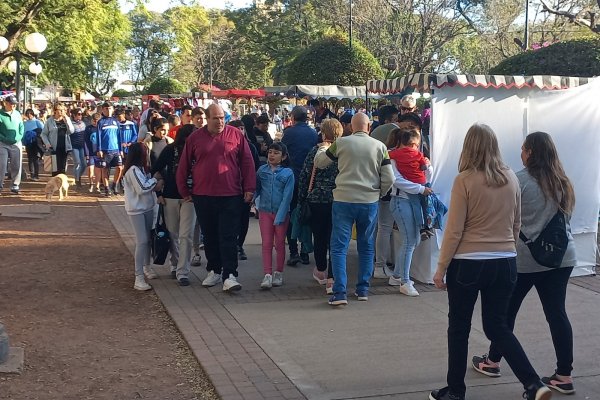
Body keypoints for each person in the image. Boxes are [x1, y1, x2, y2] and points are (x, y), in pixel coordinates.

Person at [430, 123, 552, 400]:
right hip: (506, 260)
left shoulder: (465, 179)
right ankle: (533, 384)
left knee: (459, 326)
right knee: (497, 325)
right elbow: (517, 221)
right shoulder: (511, 177)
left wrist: (441, 267)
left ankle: (456, 391)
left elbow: (455, 229)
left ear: (468, 147)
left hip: (469, 262)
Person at [472, 131, 577, 395]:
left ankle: (493, 361)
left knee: (505, 315)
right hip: (562, 258)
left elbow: (507, 219)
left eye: (523, 149)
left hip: (526, 260)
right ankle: (564, 375)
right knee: (557, 314)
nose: (521, 153)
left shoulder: (519, 181)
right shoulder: (563, 181)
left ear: (530, 152)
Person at [314, 112, 394, 306]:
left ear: (350, 126)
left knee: (339, 247)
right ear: (369, 126)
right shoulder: (380, 147)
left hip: (343, 199)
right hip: (368, 202)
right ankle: (362, 288)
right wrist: (379, 192)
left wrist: (322, 148)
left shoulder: (341, 143)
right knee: (366, 246)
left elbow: (320, 162)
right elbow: (389, 177)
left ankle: (340, 292)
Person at [176, 104, 256, 292]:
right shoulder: (195, 138)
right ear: (207, 119)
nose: (220, 122)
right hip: (203, 195)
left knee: (228, 235)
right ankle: (214, 270)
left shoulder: (236, 135)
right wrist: (184, 191)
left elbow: (247, 162)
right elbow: (184, 165)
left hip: (231, 194)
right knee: (210, 236)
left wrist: (250, 188)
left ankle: (230, 274)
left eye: (222, 118)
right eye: (216, 118)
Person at [298, 119, 342, 295]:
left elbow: (305, 175)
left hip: (316, 199)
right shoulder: (343, 151)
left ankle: (321, 270)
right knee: (335, 238)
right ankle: (333, 276)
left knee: (319, 236)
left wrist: (301, 198)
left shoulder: (316, 151)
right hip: (338, 199)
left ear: (324, 133)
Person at [151, 124, 197, 286]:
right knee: (173, 234)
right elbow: (154, 170)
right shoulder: (171, 150)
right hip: (170, 195)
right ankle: (175, 262)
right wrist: (159, 192)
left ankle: (183, 271)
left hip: (190, 198)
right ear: (185, 137)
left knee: (186, 234)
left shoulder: (199, 151)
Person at [122, 142, 163, 291]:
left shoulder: (140, 169)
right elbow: (143, 188)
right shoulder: (133, 170)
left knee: (147, 240)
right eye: (145, 151)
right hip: (137, 210)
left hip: (146, 208)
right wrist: (155, 181)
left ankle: (146, 267)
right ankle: (138, 276)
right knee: (142, 241)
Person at [281, 106, 319, 266]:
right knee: (306, 214)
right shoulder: (313, 133)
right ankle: (305, 250)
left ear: (293, 117)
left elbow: (282, 152)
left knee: (291, 214)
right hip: (310, 179)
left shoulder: (288, 133)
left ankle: (293, 251)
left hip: (293, 177)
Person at [254, 142, 294, 289]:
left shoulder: (288, 173)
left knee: (279, 244)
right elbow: (257, 188)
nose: (272, 155)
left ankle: (279, 272)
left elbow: (287, 196)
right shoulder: (261, 171)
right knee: (266, 243)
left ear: (283, 156)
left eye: (276, 153)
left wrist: (280, 216)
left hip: (281, 213)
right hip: (264, 211)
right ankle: (267, 274)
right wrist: (253, 202)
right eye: (270, 152)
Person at [229, 119, 260, 261]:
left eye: (242, 128)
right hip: (229, 189)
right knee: (230, 220)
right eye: (237, 128)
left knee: (243, 220)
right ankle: (230, 245)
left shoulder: (250, 147)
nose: (240, 131)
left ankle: (239, 245)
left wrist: (252, 189)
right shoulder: (227, 147)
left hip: (245, 189)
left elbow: (255, 169)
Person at [95, 102, 122, 196]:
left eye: (110, 108)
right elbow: (98, 136)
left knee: (120, 167)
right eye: (106, 108)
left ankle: (115, 184)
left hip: (116, 149)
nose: (108, 110)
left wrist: (121, 149)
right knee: (105, 169)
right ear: (102, 110)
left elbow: (119, 136)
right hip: (105, 150)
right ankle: (107, 188)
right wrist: (99, 149)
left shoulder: (116, 121)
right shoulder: (100, 122)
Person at [41, 103, 74, 177]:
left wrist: (67, 121)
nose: (62, 111)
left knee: (62, 168)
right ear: (55, 111)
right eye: (60, 110)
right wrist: (47, 143)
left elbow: (71, 131)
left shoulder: (66, 119)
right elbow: (43, 134)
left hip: (64, 147)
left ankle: (61, 185)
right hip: (54, 148)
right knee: (55, 169)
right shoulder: (50, 121)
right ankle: (54, 185)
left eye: (63, 110)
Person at [0, 95, 24, 194]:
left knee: (16, 164)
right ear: (5, 103)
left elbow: (21, 127)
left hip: (16, 143)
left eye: (15, 104)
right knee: (2, 165)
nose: (13, 106)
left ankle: (15, 184)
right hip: (2, 143)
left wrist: (18, 137)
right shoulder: (0, 114)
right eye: (11, 104)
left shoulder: (17, 114)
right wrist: (3, 138)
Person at [22, 109, 44, 182]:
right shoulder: (25, 123)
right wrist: (23, 142)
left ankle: (36, 175)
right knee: (30, 159)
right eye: (27, 114)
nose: (29, 116)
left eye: (30, 114)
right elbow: (23, 133)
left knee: (35, 159)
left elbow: (43, 131)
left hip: (36, 143)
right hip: (28, 143)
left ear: (33, 114)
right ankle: (32, 174)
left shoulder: (37, 122)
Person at [70, 108, 87, 187]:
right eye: (78, 114)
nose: (80, 116)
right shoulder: (71, 124)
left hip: (82, 146)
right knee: (77, 163)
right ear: (74, 115)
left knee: (84, 164)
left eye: (81, 114)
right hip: (74, 146)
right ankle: (77, 181)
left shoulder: (83, 123)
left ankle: (78, 176)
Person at [84, 113, 101, 193]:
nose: (95, 122)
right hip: (90, 153)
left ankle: (97, 185)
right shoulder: (88, 129)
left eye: (96, 121)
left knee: (98, 170)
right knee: (90, 169)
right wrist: (86, 154)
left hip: (99, 153)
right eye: (93, 121)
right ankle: (91, 183)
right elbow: (85, 141)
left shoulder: (101, 129)